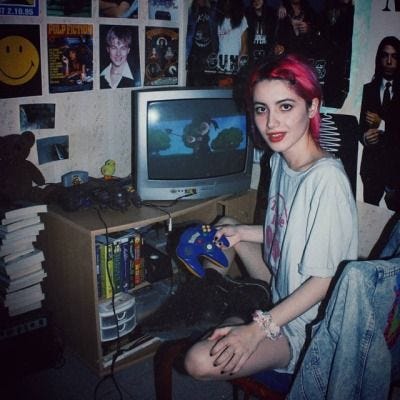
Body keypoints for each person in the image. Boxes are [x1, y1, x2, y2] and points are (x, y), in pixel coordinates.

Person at [183, 53, 358, 380]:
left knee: (197, 361)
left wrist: (256, 330)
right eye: (262, 109)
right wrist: (242, 234)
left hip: (305, 324)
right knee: (226, 228)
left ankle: (236, 317)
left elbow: (324, 281)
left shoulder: (326, 180)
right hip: (279, 286)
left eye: (285, 106)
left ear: (313, 107)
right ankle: (214, 298)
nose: (272, 123)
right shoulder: (279, 160)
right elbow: (285, 229)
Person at [359, 36, 400, 208]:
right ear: (379, 58)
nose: (389, 61)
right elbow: (361, 127)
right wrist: (365, 138)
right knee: (369, 218)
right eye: (385, 55)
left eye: (394, 56)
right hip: (372, 169)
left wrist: (381, 124)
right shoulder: (368, 90)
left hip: (396, 171)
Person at [214, 0, 248, 85]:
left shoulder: (242, 19)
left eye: (229, 2)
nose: (227, 5)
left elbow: (244, 46)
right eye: (225, 2)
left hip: (236, 68)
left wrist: (239, 65)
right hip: (220, 67)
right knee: (221, 92)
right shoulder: (218, 20)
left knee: (235, 92)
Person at [186, 0, 219, 87]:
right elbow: (189, 33)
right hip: (194, 55)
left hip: (209, 54)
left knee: (209, 86)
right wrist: (186, 55)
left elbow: (216, 32)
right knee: (193, 85)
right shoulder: (192, 11)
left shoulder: (214, 9)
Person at [245, 0, 279, 65]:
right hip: (251, 57)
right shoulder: (247, 14)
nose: (256, 1)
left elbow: (275, 36)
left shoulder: (272, 14)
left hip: (268, 56)